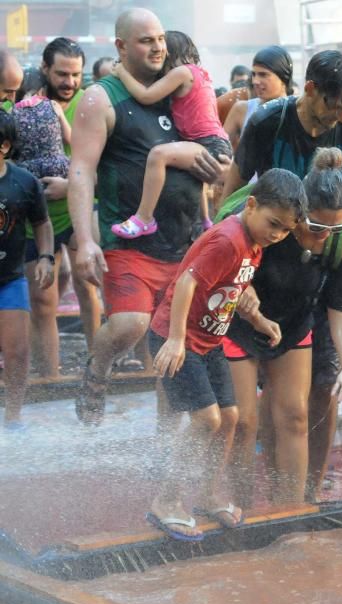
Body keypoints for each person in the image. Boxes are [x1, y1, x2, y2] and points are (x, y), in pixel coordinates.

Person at [221, 47, 342, 489]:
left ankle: (302, 495)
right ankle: (246, 498)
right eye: (335, 106)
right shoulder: (268, 122)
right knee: (246, 417)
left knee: (312, 395)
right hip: (258, 270)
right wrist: (235, 274)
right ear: (310, 89)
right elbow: (231, 200)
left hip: (319, 274)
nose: (341, 118)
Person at [70, 8, 228, 425]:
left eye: (160, 38)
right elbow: (81, 170)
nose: (158, 46)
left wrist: (215, 167)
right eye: (146, 40)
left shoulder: (177, 90)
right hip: (130, 242)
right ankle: (98, 368)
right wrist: (85, 240)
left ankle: (166, 447)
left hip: (184, 242)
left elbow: (210, 138)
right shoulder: (101, 97)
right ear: (121, 46)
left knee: (171, 350)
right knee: (130, 325)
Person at [147, 168, 302, 540]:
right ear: (251, 205)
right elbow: (187, 281)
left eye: (285, 230)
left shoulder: (254, 244)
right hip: (181, 339)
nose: (277, 235)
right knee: (207, 420)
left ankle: (205, 493)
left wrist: (260, 320)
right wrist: (176, 339)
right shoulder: (229, 240)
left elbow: (235, 291)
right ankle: (165, 500)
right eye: (273, 223)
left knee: (230, 417)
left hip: (210, 341)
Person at [225, 148, 342, 505]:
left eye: (334, 227)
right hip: (237, 324)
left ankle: (290, 509)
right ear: (298, 213)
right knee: (243, 423)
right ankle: (240, 507)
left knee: (294, 415)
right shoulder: (271, 226)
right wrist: (243, 292)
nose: (323, 235)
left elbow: (340, 305)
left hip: (292, 324)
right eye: (316, 226)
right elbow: (221, 269)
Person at [23, 38, 99, 380]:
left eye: (76, 74)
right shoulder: (24, 106)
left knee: (88, 287)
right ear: (45, 69)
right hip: (35, 220)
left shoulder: (90, 105)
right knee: (43, 302)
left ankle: (98, 368)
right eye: (61, 74)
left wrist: (70, 186)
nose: (69, 82)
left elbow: (106, 167)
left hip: (78, 212)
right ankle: (50, 376)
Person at [109, 30, 231, 239]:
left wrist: (122, 72)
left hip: (208, 144)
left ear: (169, 54)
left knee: (159, 155)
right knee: (195, 176)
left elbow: (146, 96)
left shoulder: (182, 72)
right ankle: (205, 221)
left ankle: (144, 218)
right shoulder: (201, 73)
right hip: (215, 142)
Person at [0, 111, 55, 429]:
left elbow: (42, 222)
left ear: (4, 146)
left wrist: (46, 256)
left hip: (10, 280)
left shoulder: (24, 182)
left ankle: (12, 417)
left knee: (18, 352)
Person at [222, 46, 294, 153]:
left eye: (263, 75)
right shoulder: (242, 109)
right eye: (254, 74)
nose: (255, 81)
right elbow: (220, 152)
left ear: (284, 77)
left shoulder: (296, 112)